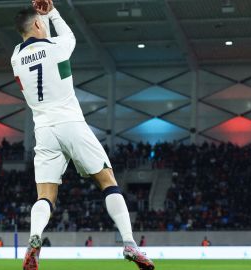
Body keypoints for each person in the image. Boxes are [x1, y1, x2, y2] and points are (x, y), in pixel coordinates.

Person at [10, 1, 154, 269]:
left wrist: (42, 19)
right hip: (71, 123)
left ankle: (34, 238)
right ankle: (130, 244)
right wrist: (51, 11)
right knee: (107, 181)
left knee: (45, 196)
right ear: (39, 24)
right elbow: (68, 37)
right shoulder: (57, 48)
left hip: (43, 130)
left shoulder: (15, 58)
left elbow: (40, 47)